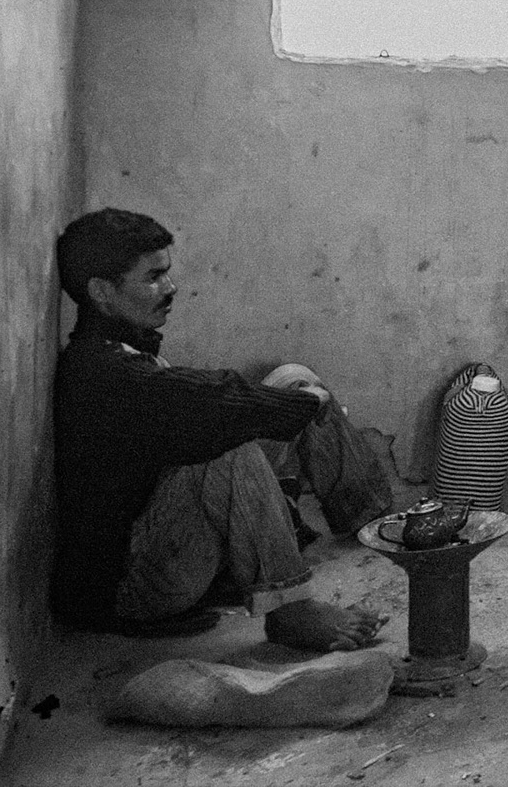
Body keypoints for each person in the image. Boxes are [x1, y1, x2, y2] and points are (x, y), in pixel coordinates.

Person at [51, 208, 391, 649]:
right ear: (102, 292)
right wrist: (301, 406)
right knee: (229, 443)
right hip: (134, 587)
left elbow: (201, 397)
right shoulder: (101, 370)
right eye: (153, 277)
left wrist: (298, 399)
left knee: (291, 375)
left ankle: (373, 522)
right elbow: (212, 401)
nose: (170, 288)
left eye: (167, 274)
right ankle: (290, 609)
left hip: (166, 541)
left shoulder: (121, 348)